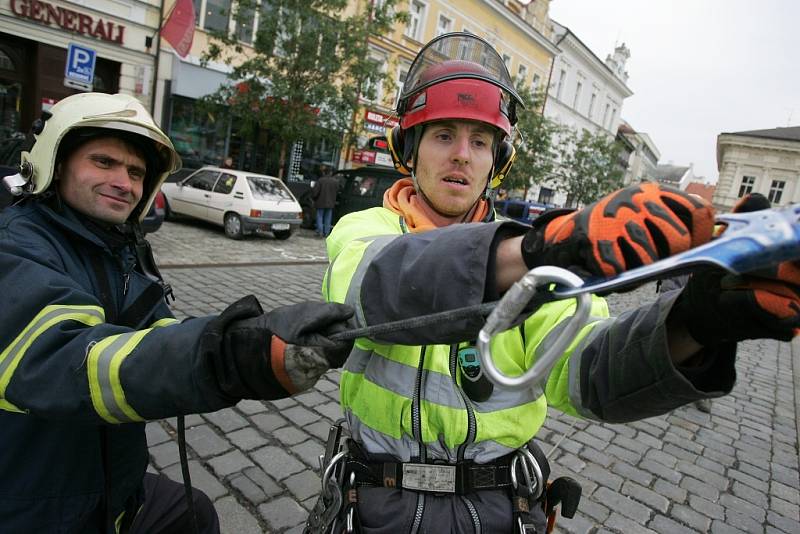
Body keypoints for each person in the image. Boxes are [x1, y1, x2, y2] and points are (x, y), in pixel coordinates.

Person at [312, 32, 800, 533]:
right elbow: (373, 291)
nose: (462, 154)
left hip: (497, 511)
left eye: (480, 141)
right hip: (372, 502)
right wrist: (533, 251)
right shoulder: (366, 231)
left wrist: (696, 325)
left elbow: (589, 371)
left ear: (496, 162)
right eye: (443, 135)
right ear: (407, 149)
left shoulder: (535, 269)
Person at [0, 92, 355, 533]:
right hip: (36, 505)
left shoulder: (118, 246)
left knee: (193, 514)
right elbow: (69, 359)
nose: (124, 182)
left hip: (112, 491)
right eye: (104, 162)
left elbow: (158, 333)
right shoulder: (15, 245)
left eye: (135, 172)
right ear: (56, 162)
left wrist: (257, 341)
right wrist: (224, 358)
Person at [656, 191, 773, 413]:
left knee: (712, 347)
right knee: (688, 340)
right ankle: (683, 385)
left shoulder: (760, 249)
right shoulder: (718, 234)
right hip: (695, 297)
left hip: (725, 309)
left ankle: (700, 390)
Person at [312, 165, 339, 237]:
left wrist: (314, 199)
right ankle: (327, 233)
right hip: (331, 203)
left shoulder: (320, 180)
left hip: (320, 202)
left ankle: (320, 232)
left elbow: (315, 192)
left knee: (319, 217)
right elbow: (337, 192)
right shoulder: (335, 182)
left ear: (324, 172)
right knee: (328, 218)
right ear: (331, 172)